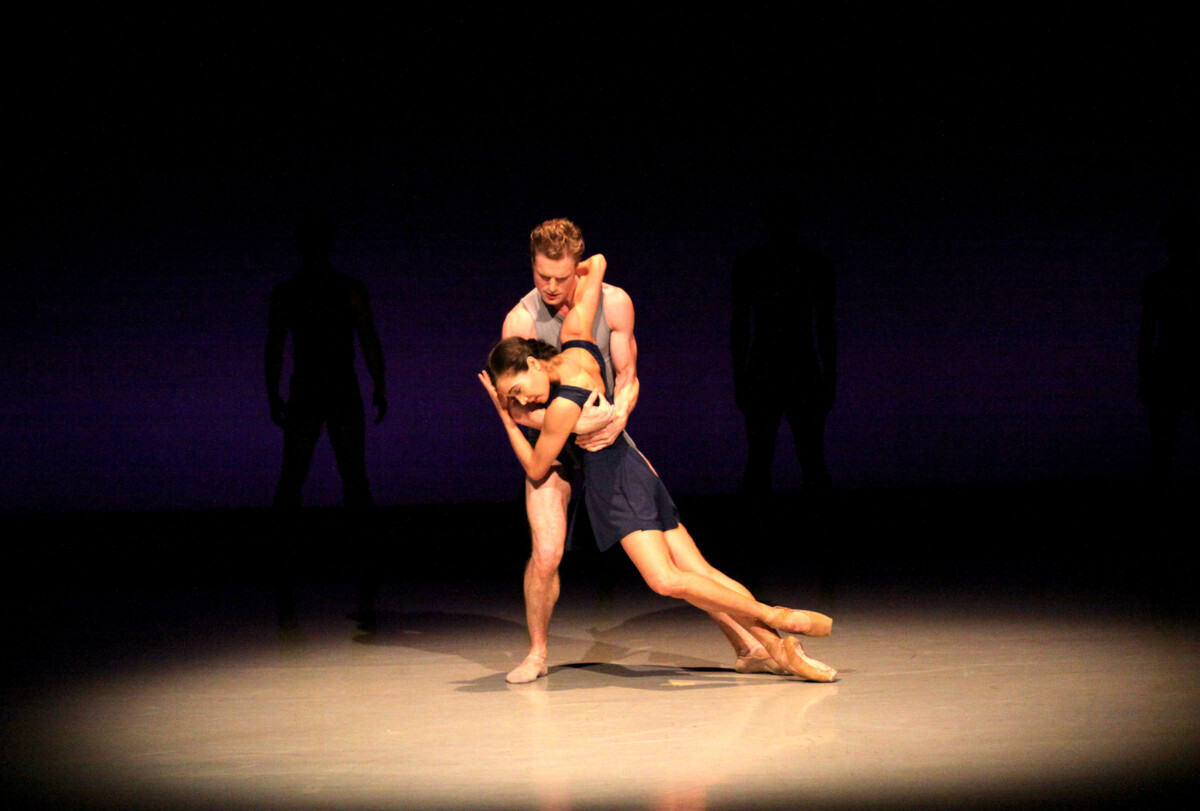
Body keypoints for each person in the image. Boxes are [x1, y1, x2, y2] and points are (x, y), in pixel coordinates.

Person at [481, 242, 838, 682]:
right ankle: (763, 647)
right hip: (628, 463)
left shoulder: (560, 405)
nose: (522, 398)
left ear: (535, 362)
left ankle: (774, 616)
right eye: (544, 277)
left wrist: (509, 415)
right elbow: (599, 264)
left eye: (520, 389)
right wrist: (582, 272)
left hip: (610, 474)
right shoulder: (575, 338)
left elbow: (537, 462)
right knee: (691, 569)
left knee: (666, 579)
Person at [497, 218, 639, 683]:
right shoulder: (521, 320)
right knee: (546, 552)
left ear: (578, 266)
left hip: (605, 431)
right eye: (543, 276)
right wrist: (569, 425)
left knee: (665, 550)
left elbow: (628, 374)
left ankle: (746, 640)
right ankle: (537, 653)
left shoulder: (613, 303)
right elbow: (515, 405)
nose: (552, 287)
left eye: (561, 276)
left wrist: (618, 417)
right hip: (550, 440)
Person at [265, 209, 387, 626]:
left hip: (319, 390)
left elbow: (276, 346)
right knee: (343, 477)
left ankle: (295, 566)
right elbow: (366, 339)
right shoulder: (336, 290)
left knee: (304, 478)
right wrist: (379, 385)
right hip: (330, 390)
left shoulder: (294, 292)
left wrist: (272, 393)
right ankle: (357, 564)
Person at [732, 193, 835, 495]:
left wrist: (740, 378)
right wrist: (830, 379)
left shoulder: (752, 265)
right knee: (807, 457)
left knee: (764, 458)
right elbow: (825, 328)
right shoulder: (814, 265)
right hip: (798, 366)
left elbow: (740, 328)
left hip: (768, 366)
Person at [1139, 208, 1200, 485]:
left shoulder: (1157, 283)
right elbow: (1147, 334)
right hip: (1185, 366)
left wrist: (1144, 375)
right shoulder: (1159, 283)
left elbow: (1147, 335)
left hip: (1167, 366)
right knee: (1161, 451)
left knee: (1161, 450)